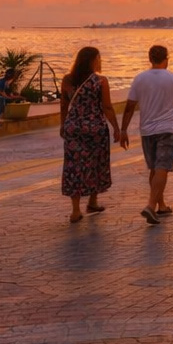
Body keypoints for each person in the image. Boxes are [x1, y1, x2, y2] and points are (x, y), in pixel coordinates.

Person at [120, 45, 173, 225]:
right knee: (162, 168)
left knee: (155, 168)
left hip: (147, 131)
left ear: (150, 58)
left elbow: (129, 106)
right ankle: (151, 205)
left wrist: (123, 130)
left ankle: (161, 205)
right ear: (166, 59)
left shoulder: (139, 79)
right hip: (167, 129)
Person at [59, 46, 121, 224]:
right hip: (95, 129)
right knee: (96, 163)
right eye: (98, 58)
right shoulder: (100, 81)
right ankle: (93, 202)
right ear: (92, 61)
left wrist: (63, 124)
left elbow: (64, 105)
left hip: (74, 128)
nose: (100, 61)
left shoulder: (68, 80)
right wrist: (116, 127)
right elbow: (107, 107)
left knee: (74, 166)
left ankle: (76, 210)